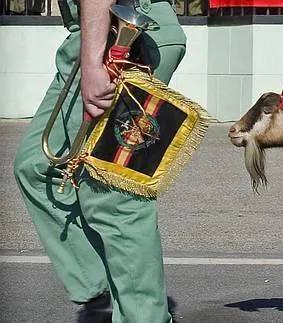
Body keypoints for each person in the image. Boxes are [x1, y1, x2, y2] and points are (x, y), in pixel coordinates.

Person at [13, 0, 186, 322]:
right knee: (37, 166)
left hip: (119, 35)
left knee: (113, 195)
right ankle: (101, 289)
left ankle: (143, 316)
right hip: (94, 32)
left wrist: (94, 63)